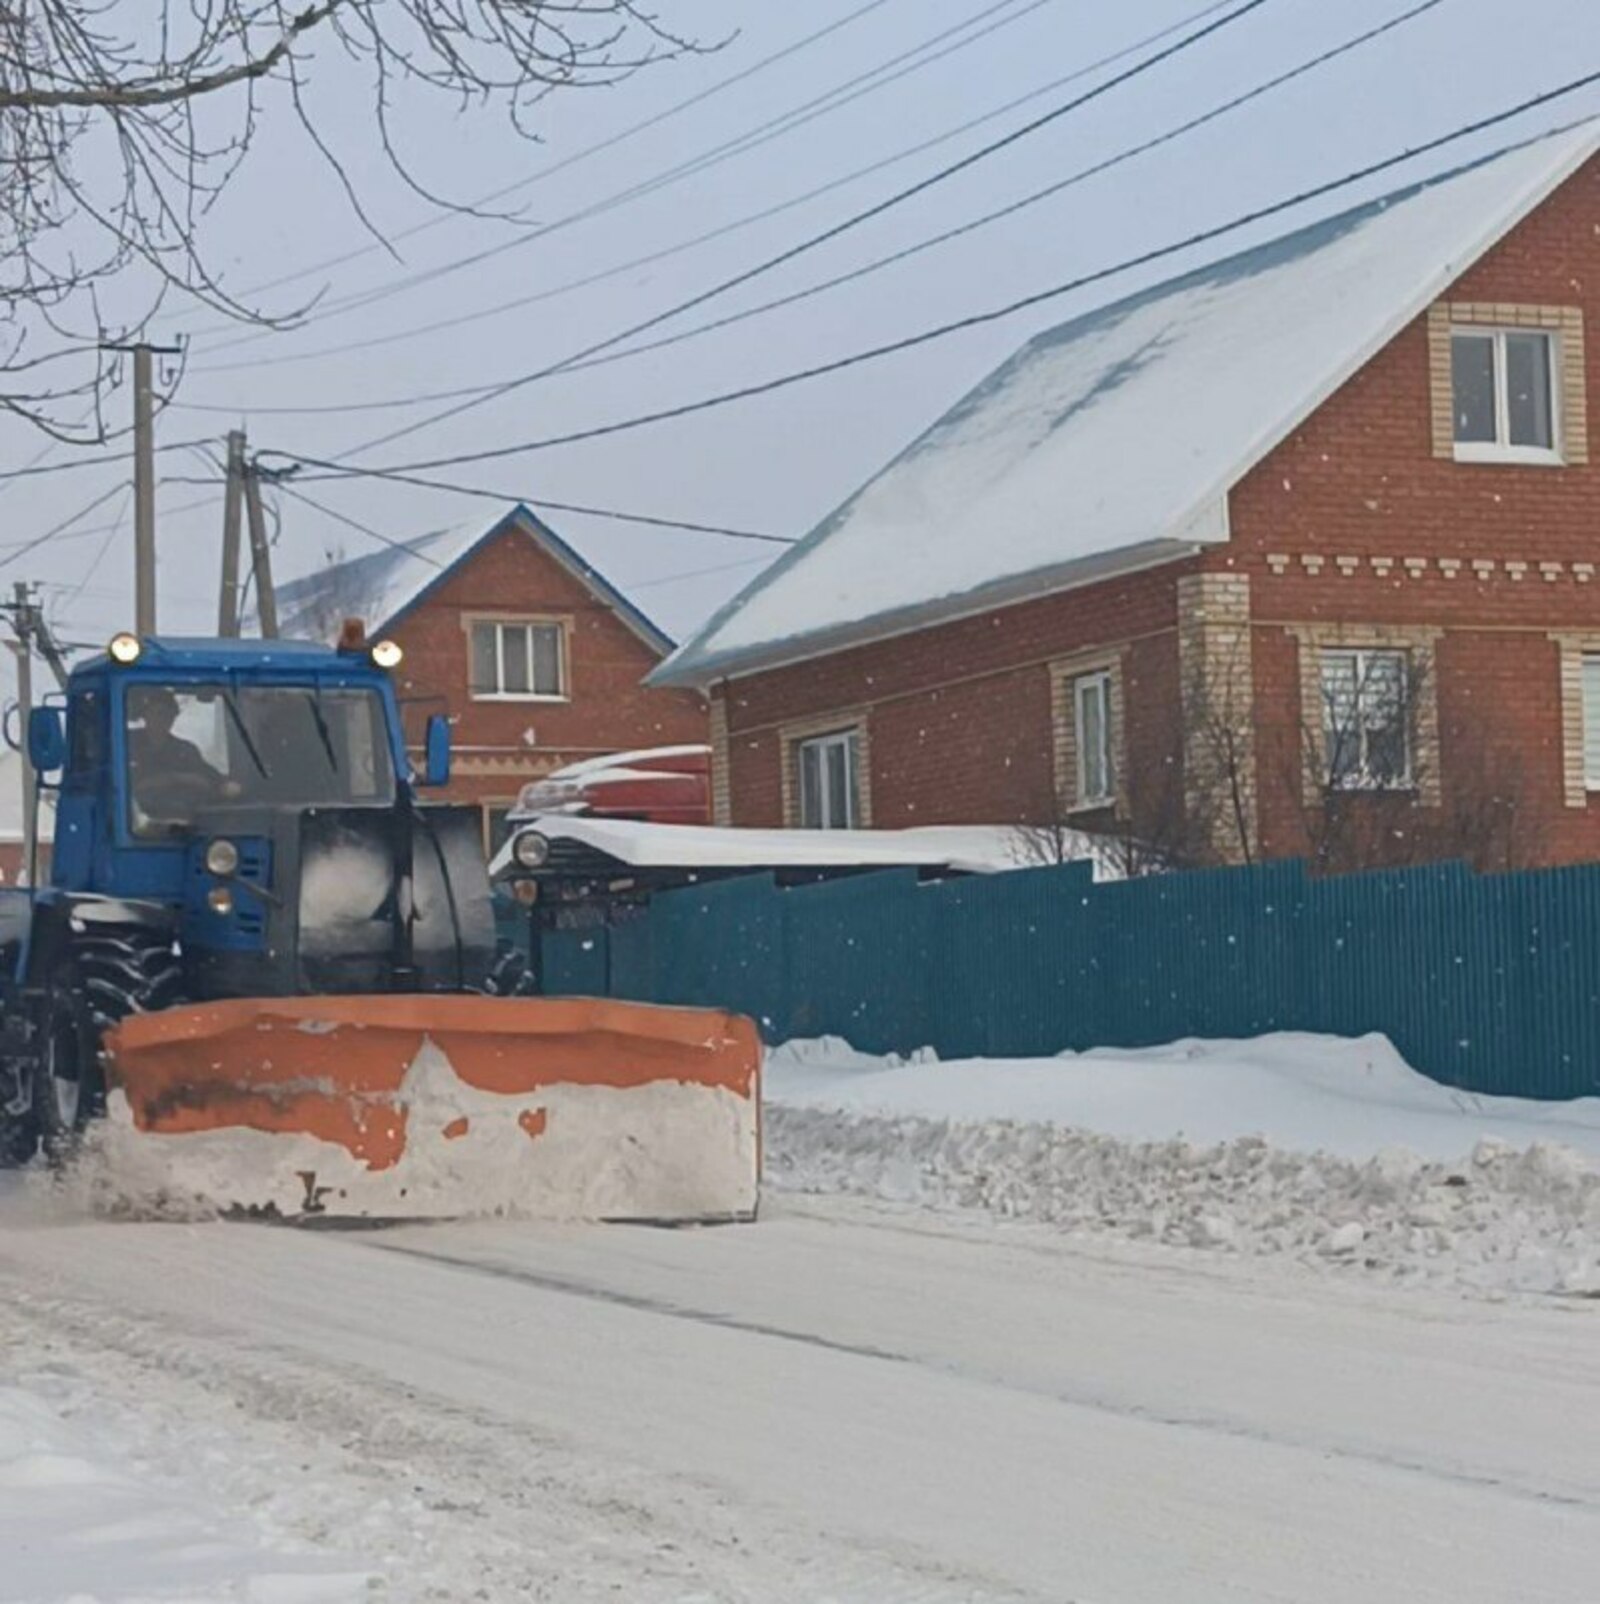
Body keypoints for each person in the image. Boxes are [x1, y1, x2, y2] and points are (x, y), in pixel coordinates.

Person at [127, 687, 231, 822]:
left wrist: (226, 785)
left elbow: (210, 779)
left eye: (168, 714)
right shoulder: (126, 744)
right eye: (158, 713)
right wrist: (163, 781)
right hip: (135, 821)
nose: (162, 719)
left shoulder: (186, 750)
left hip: (183, 822)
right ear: (145, 715)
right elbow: (125, 786)